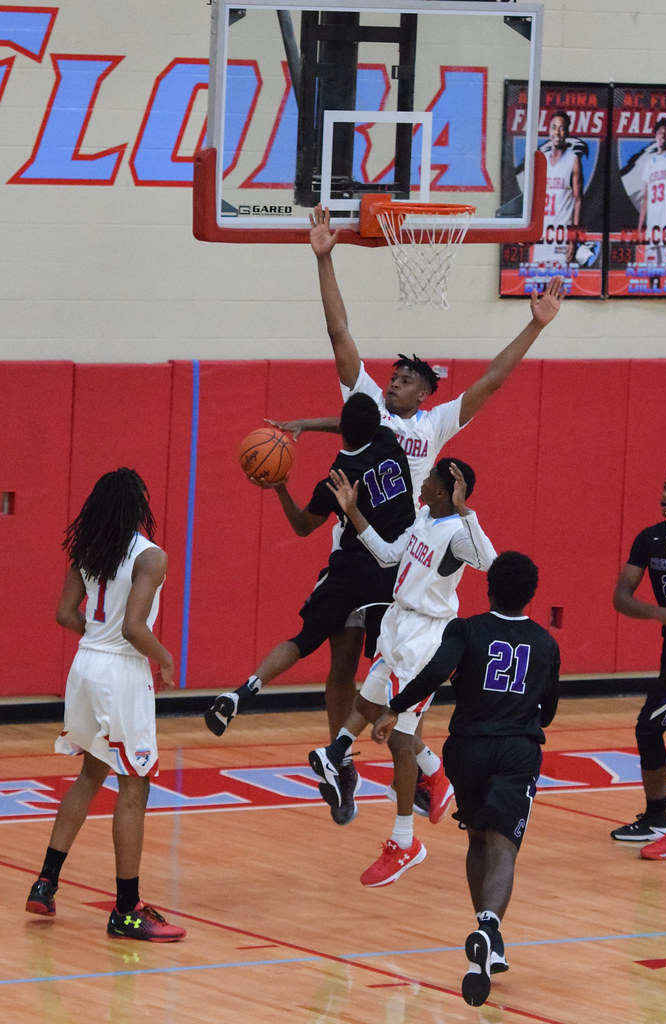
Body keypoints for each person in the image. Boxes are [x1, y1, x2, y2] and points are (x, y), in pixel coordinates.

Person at [272, 207, 565, 810]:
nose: (394, 380)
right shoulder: (369, 405)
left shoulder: (436, 424)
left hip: (407, 554)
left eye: (406, 377)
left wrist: (534, 326)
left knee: (402, 665)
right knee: (342, 657)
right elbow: (339, 334)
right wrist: (324, 258)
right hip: (358, 544)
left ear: (427, 391)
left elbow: (492, 380)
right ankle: (343, 761)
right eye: (394, 374)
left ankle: (418, 766)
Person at [203, 392, 415, 827]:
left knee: (314, 647)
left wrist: (279, 485)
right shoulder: (389, 441)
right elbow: (352, 423)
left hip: (347, 571)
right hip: (390, 576)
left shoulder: (336, 480)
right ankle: (352, 758)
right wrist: (305, 424)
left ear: (344, 428)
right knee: (383, 674)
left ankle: (246, 690)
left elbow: (302, 526)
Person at [371, 551, 560, 1006]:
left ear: (488, 588)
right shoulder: (545, 643)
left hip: (467, 748)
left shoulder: (466, 629)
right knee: (504, 846)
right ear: (531, 594)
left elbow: (436, 672)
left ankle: (488, 940)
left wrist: (395, 708)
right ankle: (489, 929)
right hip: (516, 750)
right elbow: (549, 712)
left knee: (478, 838)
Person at [308, 458, 497, 887]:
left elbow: (489, 561)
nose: (422, 481)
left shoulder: (457, 533)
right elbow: (388, 555)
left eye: (429, 479)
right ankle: (346, 754)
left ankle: (405, 841)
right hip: (398, 623)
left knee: (398, 739)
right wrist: (353, 511)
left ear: (445, 490)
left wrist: (466, 509)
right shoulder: (423, 519)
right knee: (366, 701)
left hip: (425, 637)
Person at [25, 468, 185, 942]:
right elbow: (135, 629)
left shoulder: (88, 549)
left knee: (91, 774)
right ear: (139, 506)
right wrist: (165, 659)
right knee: (134, 785)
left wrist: (96, 639)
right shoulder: (151, 556)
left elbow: (64, 613)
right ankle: (126, 910)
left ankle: (46, 882)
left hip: (85, 666)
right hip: (122, 674)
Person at [610, 462, 666, 857]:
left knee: (648, 725)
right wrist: (660, 613)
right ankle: (658, 819)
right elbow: (621, 598)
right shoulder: (649, 539)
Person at [532, 110, 584, 267]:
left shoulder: (573, 160)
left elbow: (578, 201)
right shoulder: (542, 159)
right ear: (549, 131)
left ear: (567, 132)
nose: (557, 132)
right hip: (542, 235)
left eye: (562, 128)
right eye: (554, 127)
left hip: (562, 236)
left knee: (558, 282)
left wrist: (573, 238)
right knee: (537, 281)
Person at [637, 119, 666, 266]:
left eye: (665, 133)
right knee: (651, 270)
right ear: (655, 135)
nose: (662, 135)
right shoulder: (649, 163)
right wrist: (640, 226)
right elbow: (646, 197)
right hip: (652, 224)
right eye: (659, 132)